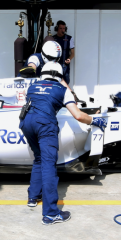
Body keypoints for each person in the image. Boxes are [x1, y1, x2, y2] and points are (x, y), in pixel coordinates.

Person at [20, 62, 107, 224]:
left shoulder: (32, 87)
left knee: (38, 158)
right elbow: (79, 116)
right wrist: (94, 120)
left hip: (26, 123)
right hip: (45, 125)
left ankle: (33, 197)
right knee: (48, 165)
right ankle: (51, 213)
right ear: (59, 77)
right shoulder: (63, 90)